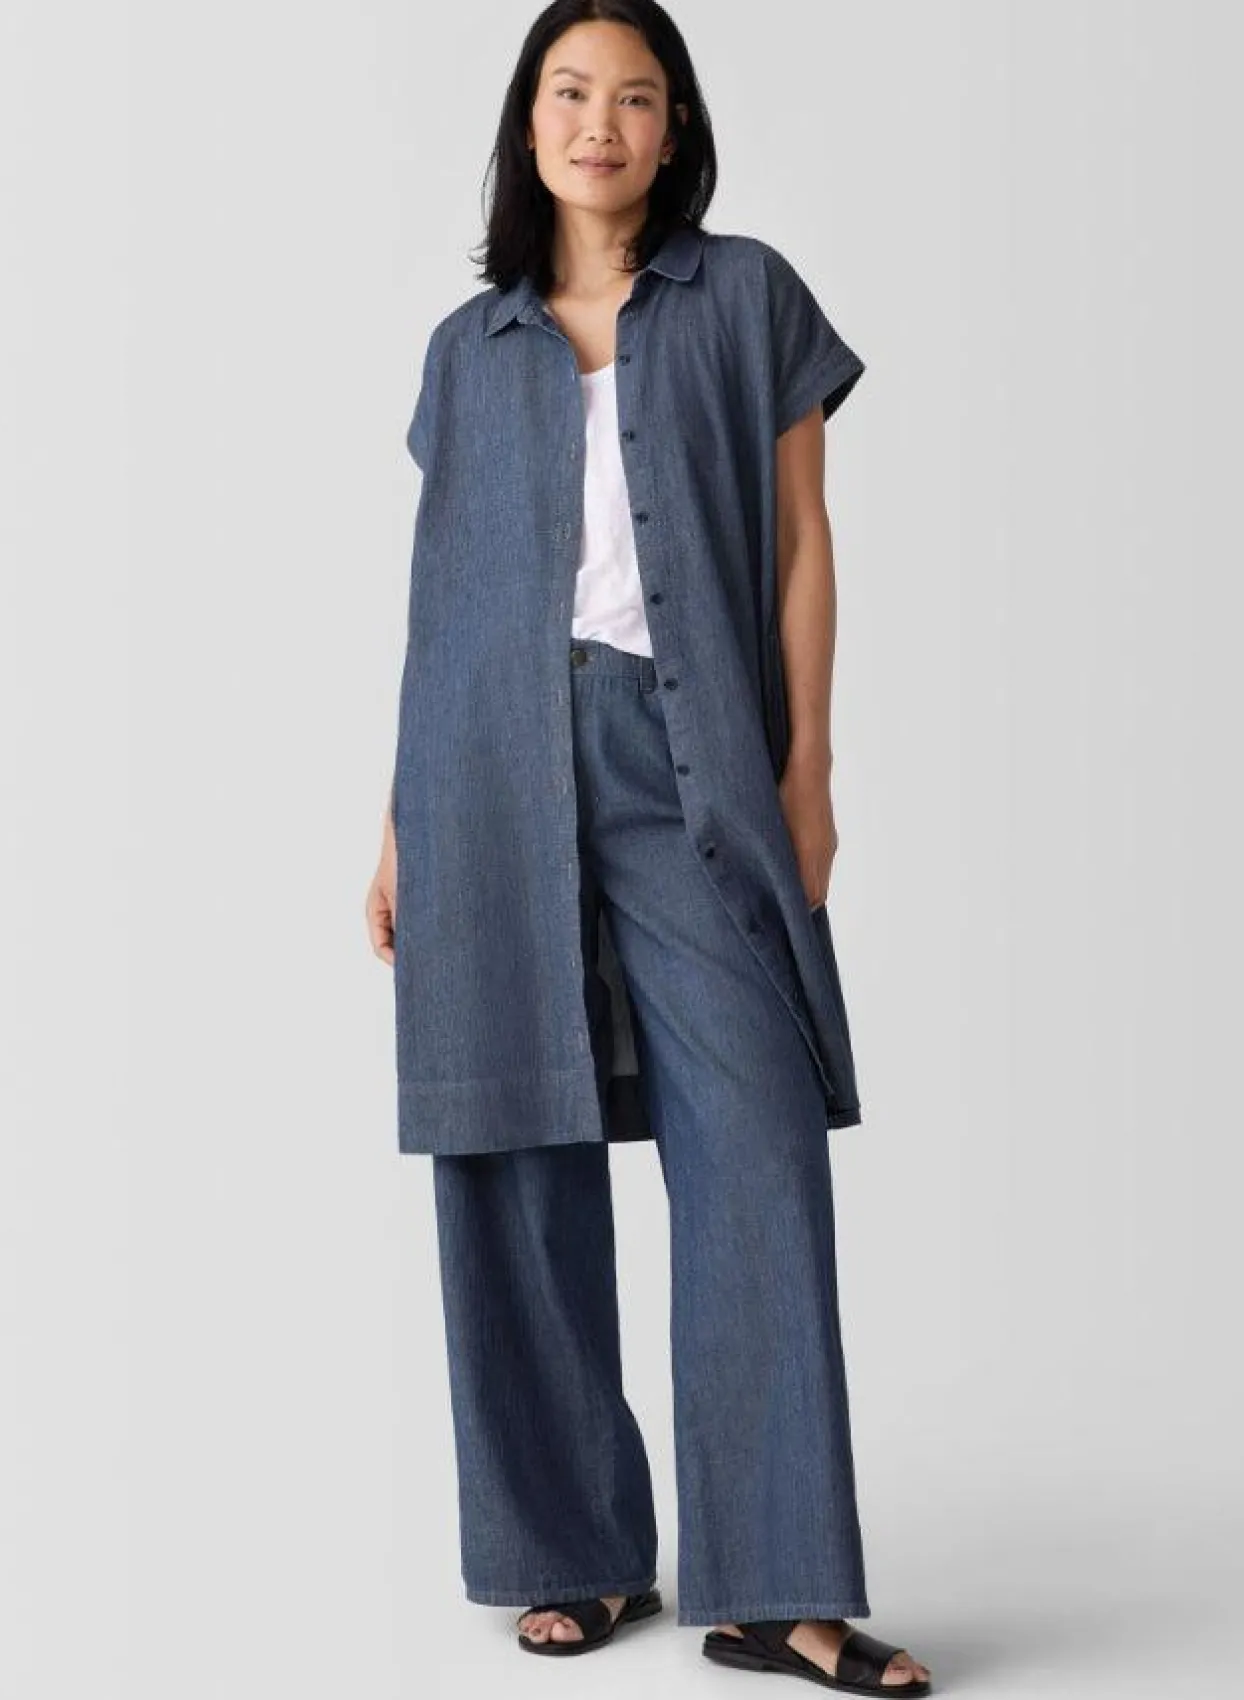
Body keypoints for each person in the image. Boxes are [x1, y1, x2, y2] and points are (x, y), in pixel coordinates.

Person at [365, 3, 932, 1692]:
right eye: (568, 92)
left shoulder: (745, 298)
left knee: (754, 1141)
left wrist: (808, 767)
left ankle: (776, 1586)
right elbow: (443, 603)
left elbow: (803, 541)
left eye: (633, 97)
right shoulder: (469, 350)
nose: (597, 123)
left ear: (673, 129)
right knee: (512, 1150)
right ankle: (572, 1553)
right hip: (481, 769)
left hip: (688, 755)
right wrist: (397, 820)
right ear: (526, 121)